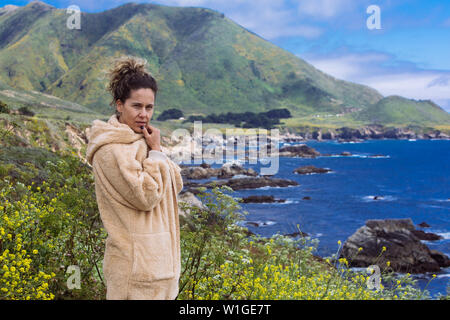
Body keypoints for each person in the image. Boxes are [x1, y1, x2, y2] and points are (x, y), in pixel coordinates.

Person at [86, 56, 184, 300]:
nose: (144, 114)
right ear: (119, 105)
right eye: (136, 106)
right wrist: (158, 154)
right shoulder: (110, 150)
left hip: (159, 267)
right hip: (135, 270)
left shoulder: (143, 140)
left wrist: (155, 151)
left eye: (149, 107)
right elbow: (147, 196)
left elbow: (175, 185)